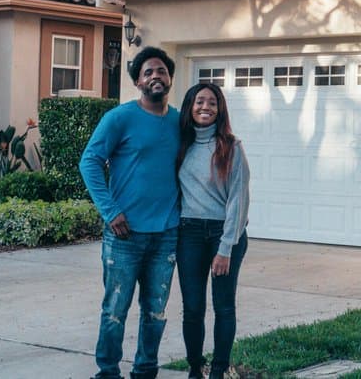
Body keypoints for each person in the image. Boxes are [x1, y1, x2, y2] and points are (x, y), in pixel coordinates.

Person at [79, 46, 181, 379]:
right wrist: (110, 211)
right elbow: (90, 162)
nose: (156, 76)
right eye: (148, 72)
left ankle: (145, 371)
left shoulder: (180, 121)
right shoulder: (120, 118)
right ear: (138, 81)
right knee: (114, 311)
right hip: (124, 234)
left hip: (166, 234)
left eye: (161, 71)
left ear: (169, 79)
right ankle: (107, 372)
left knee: (156, 312)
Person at [174, 82, 251, 379]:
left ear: (220, 110)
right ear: (190, 107)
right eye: (199, 102)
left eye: (212, 103)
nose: (205, 107)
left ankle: (218, 370)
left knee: (224, 307)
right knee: (192, 307)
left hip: (225, 233)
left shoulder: (231, 146)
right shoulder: (181, 144)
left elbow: (239, 200)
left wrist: (226, 247)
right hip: (189, 233)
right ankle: (196, 367)